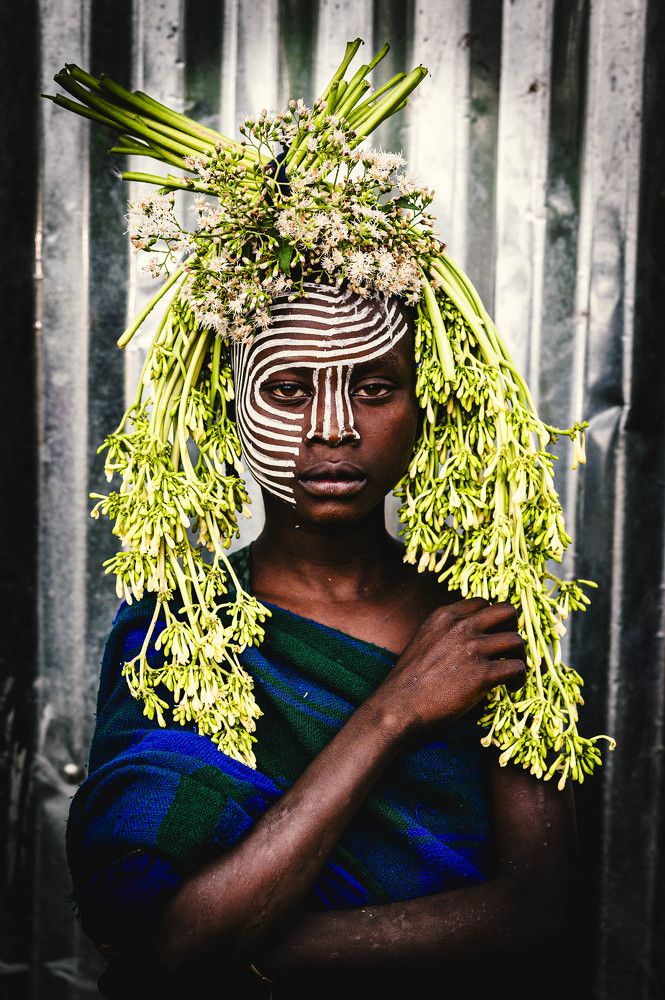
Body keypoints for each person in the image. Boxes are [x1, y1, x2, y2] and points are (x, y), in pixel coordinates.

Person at [67, 282, 580, 999]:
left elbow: (537, 911)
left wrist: (225, 945)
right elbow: (146, 928)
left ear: (424, 402)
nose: (333, 427)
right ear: (230, 407)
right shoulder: (173, 632)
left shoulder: (482, 627)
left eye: (374, 387)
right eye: (286, 389)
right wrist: (391, 711)